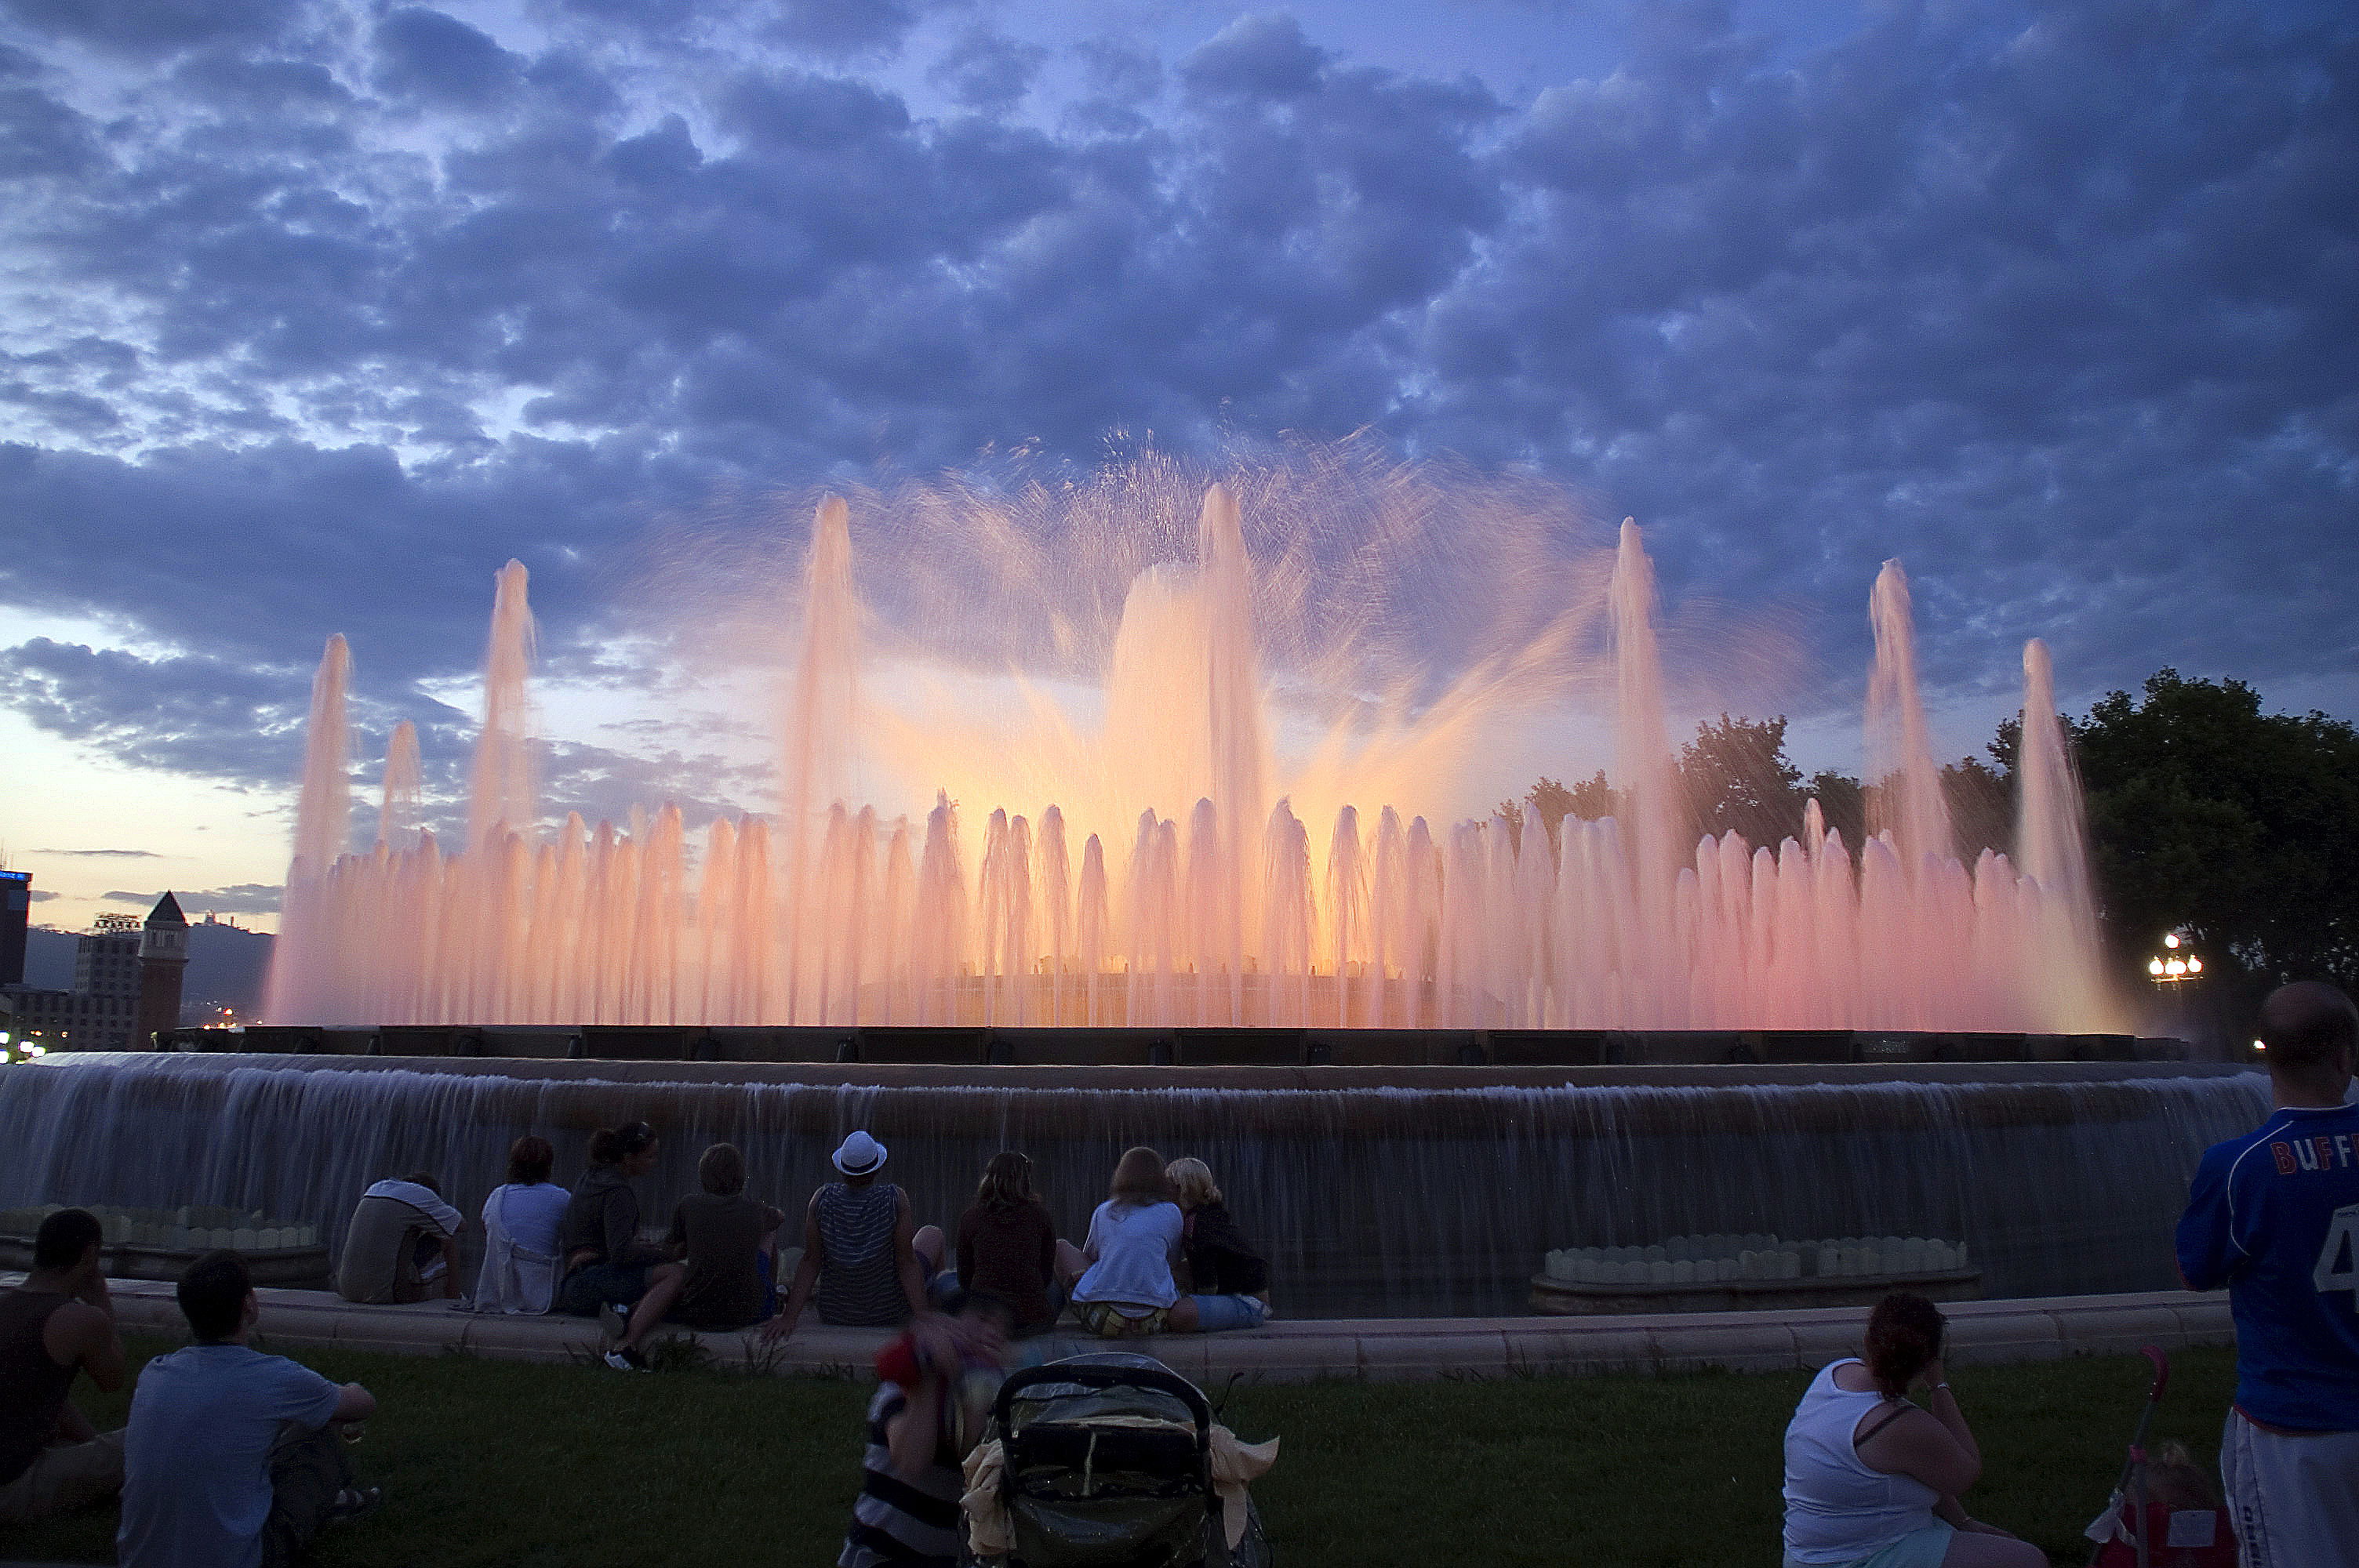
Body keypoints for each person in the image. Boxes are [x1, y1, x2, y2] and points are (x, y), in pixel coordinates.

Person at [2175, 979, 2359, 1567]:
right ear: (2344, 1056)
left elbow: (2195, 1271)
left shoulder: (2239, 1168)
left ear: (2266, 1055)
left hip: (2291, 1427)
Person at [118, 1250, 380, 1568]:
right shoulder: (273, 1377)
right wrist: (341, 1395)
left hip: (140, 1558)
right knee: (317, 1435)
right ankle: (332, 1501)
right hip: (239, 1558)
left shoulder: (155, 1372)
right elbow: (363, 1405)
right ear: (249, 1305)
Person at [1781, 1292, 2044, 1568]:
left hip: (1806, 1556)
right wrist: (1938, 1386)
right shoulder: (1897, 1424)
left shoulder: (1835, 1375)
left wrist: (1962, 1522)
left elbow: (1924, 1470)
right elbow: (1965, 1473)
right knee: (2029, 1561)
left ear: (1869, 1341)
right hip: (1855, 1558)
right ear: (1930, 1358)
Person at [840, 1288, 1016, 1568]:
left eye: (1001, 1329)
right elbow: (911, 1461)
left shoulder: (991, 1402)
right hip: (881, 1555)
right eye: (982, 1319)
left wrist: (982, 1386)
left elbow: (973, 1451)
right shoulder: (899, 1392)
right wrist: (931, 1373)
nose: (993, 1332)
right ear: (944, 1325)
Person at [604, 1142, 785, 1370]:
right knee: (769, 1233)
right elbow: (779, 1218)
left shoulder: (689, 1205)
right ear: (741, 1177)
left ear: (702, 1177)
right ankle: (773, 1289)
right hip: (749, 1311)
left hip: (696, 1310)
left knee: (687, 1275)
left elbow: (673, 1248)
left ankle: (629, 1313)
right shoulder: (755, 1210)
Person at [0, 1207, 127, 1525]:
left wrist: (90, 1445)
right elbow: (114, 1378)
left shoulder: (6, 1306)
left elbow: (46, 1398)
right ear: (89, 1254)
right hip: (15, 1488)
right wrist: (100, 1299)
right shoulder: (79, 1318)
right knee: (147, 1439)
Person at [762, 1131, 943, 1340]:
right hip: (889, 1312)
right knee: (932, 1234)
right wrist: (922, 1317)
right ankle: (936, 1309)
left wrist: (789, 1317)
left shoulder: (821, 1199)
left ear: (842, 1170)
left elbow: (811, 1261)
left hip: (835, 1312)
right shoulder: (895, 1199)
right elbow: (906, 1262)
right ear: (878, 1167)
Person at [1056, 1145, 1199, 1337]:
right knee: (1186, 1267)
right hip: (1155, 1319)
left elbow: (1090, 1257)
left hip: (1103, 1319)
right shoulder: (1171, 1211)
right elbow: (1170, 1262)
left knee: (1060, 1247)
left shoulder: (1104, 1211)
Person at [554, 1120, 674, 1332]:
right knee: (675, 1274)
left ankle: (623, 1309)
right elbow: (621, 1253)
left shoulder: (590, 1177)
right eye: (650, 1156)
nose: (654, 1162)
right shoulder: (618, 1192)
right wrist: (666, 1253)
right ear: (628, 1158)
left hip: (573, 1283)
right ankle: (630, 1325)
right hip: (591, 1283)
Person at [953, 1151, 1060, 1338]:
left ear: (988, 1179)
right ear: (1026, 1181)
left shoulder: (971, 1217)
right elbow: (1046, 1273)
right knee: (1056, 1290)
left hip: (986, 1319)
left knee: (946, 1280)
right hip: (1030, 1320)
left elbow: (964, 1277)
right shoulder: (1040, 1216)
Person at [1166, 1156, 1271, 1332]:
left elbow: (1208, 1284)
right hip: (1249, 1298)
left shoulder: (1195, 1226)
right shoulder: (1210, 1215)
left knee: (1178, 1310)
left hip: (1248, 1305)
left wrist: (1189, 1300)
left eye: (1167, 1186)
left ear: (1181, 1189)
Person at [469, 1134, 570, 1315]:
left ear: (513, 1164)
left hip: (499, 1291)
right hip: (543, 1295)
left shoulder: (496, 1196)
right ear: (549, 1166)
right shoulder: (562, 1198)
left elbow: (490, 1234)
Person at [333, 1171, 463, 1305]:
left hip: (346, 1289)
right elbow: (460, 1226)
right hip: (386, 1294)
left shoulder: (376, 1188)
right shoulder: (423, 1195)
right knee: (448, 1236)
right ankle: (453, 1297)